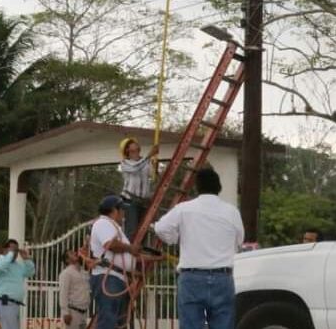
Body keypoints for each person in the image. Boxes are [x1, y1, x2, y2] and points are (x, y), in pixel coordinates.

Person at [153, 168, 243, 329]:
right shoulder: (232, 212)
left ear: (197, 187)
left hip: (192, 278)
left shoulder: (184, 209)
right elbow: (239, 242)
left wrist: (173, 239)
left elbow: (160, 228)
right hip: (222, 278)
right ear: (219, 187)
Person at [89, 195, 141, 329]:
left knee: (117, 322)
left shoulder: (113, 226)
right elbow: (110, 244)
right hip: (109, 277)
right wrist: (130, 248)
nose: (123, 213)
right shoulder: (103, 223)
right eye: (122, 210)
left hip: (116, 277)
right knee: (108, 320)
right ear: (114, 210)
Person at [0, 239, 35, 329]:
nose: (14, 253)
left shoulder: (18, 266)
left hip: (16, 304)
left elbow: (30, 272)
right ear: (5, 250)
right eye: (12, 249)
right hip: (6, 302)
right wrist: (10, 253)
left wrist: (26, 259)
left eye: (16, 250)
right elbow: (0, 267)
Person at [118, 137, 156, 240]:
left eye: (137, 149)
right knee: (132, 230)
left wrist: (154, 167)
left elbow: (151, 176)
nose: (136, 152)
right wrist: (149, 156)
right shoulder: (125, 163)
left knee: (142, 232)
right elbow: (135, 168)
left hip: (144, 201)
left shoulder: (145, 161)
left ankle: (139, 254)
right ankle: (129, 254)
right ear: (127, 151)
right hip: (130, 200)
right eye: (133, 150)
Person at [58, 249, 90, 329]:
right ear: (67, 260)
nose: (75, 253)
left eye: (74, 252)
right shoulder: (66, 273)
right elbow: (63, 294)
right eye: (71, 253)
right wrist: (65, 313)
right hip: (73, 312)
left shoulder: (83, 272)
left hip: (84, 312)